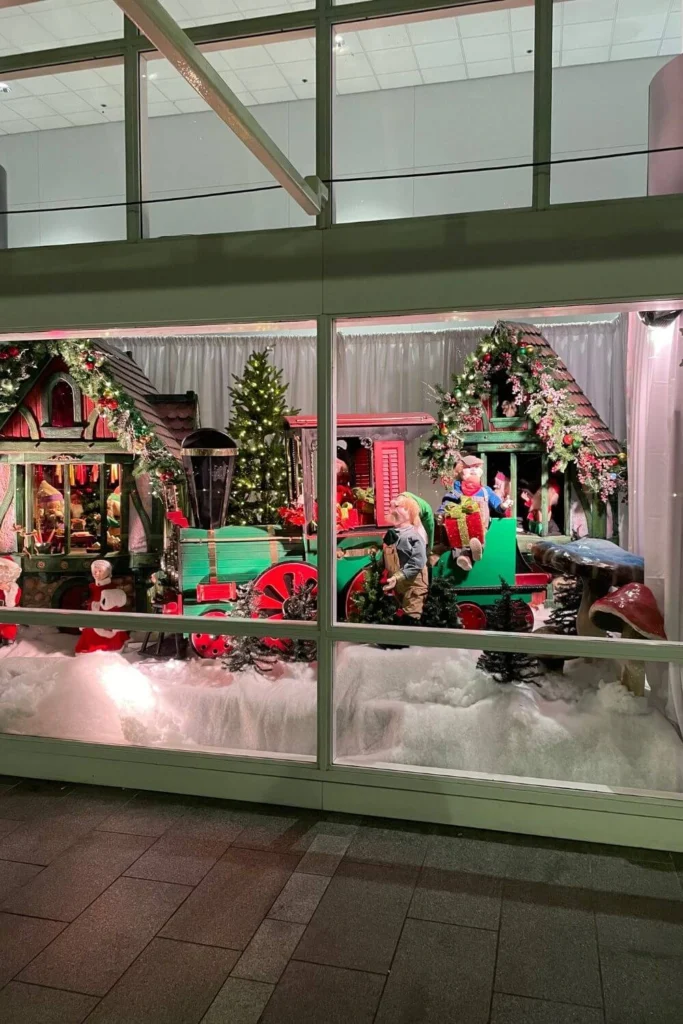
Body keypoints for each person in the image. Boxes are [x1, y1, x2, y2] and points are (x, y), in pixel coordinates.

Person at [437, 454, 512, 571]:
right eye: (468, 467)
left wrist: (503, 505)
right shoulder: (456, 490)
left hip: (480, 525)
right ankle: (463, 558)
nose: (473, 469)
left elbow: (496, 503)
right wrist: (442, 514)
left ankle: (477, 551)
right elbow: (447, 503)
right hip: (460, 524)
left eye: (476, 467)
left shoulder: (485, 491)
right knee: (459, 541)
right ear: (460, 471)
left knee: (479, 537)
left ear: (481, 472)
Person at [382, 493, 429, 620]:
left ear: (410, 513)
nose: (393, 505)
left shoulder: (414, 537)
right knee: (399, 616)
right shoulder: (392, 535)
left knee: (411, 618)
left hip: (413, 585)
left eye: (399, 505)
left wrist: (397, 577)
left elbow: (418, 562)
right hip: (398, 586)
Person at [74, 559, 129, 654]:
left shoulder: (112, 588)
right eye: (95, 571)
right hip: (92, 617)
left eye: (100, 571)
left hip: (106, 620)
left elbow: (114, 607)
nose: (97, 574)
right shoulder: (92, 587)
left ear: (107, 572)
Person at [0, 557, 22, 645]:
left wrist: (8, 589)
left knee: (8, 628)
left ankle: (7, 639)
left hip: (7, 617)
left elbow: (12, 603)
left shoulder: (14, 588)